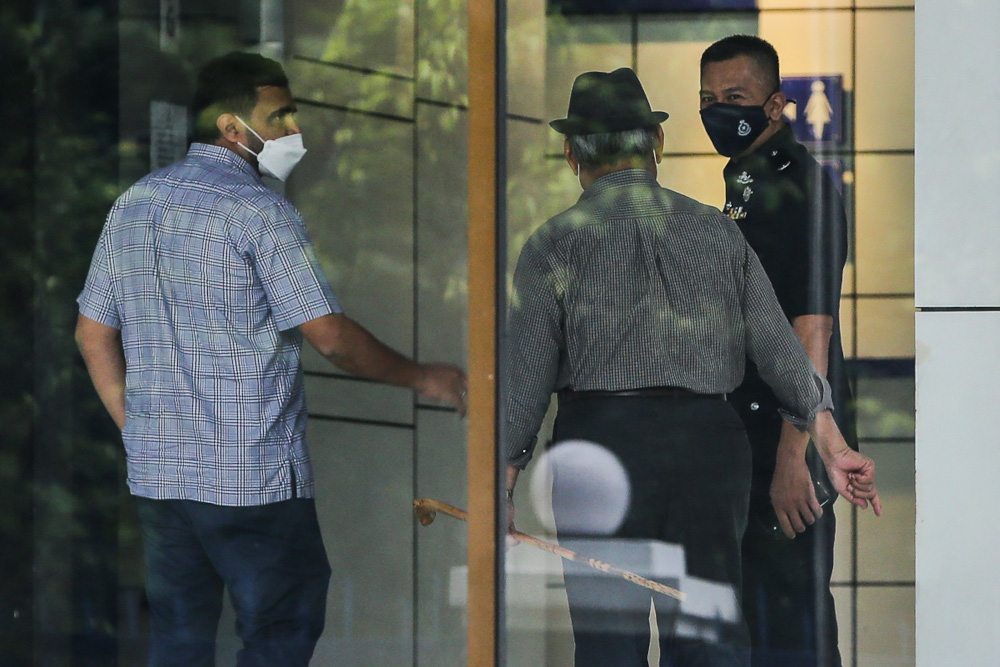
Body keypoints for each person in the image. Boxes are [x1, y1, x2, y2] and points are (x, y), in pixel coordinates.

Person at [74, 51, 467, 667]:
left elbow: (92, 334)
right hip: (251, 478)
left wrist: (138, 427)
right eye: (279, 115)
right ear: (233, 128)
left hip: (161, 478)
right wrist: (424, 376)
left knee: (178, 639)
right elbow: (330, 336)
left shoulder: (135, 205)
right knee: (282, 628)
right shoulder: (262, 211)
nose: (294, 130)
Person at [502, 67, 880, 667]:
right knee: (707, 634)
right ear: (656, 145)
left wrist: (503, 479)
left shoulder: (553, 243)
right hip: (709, 445)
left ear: (570, 152)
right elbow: (783, 351)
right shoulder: (716, 231)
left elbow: (525, 380)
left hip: (601, 444)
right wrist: (832, 448)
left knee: (609, 642)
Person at [699, 35, 856, 666]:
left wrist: (797, 451)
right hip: (746, 438)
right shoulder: (744, 184)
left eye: (734, 98)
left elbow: (811, 327)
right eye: (707, 99)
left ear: (775, 104)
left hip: (786, 439)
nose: (717, 112)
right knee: (750, 621)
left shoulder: (798, 189)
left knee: (792, 621)